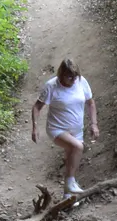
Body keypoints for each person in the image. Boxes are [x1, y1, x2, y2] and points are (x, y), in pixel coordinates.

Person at [31, 58, 98, 195]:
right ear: (61, 74)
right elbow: (37, 107)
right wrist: (35, 127)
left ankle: (67, 196)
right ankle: (70, 183)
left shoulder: (81, 82)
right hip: (57, 129)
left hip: (77, 131)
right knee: (78, 147)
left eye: (75, 76)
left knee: (71, 160)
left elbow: (90, 103)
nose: (73, 80)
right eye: (69, 76)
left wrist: (94, 124)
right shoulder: (51, 86)